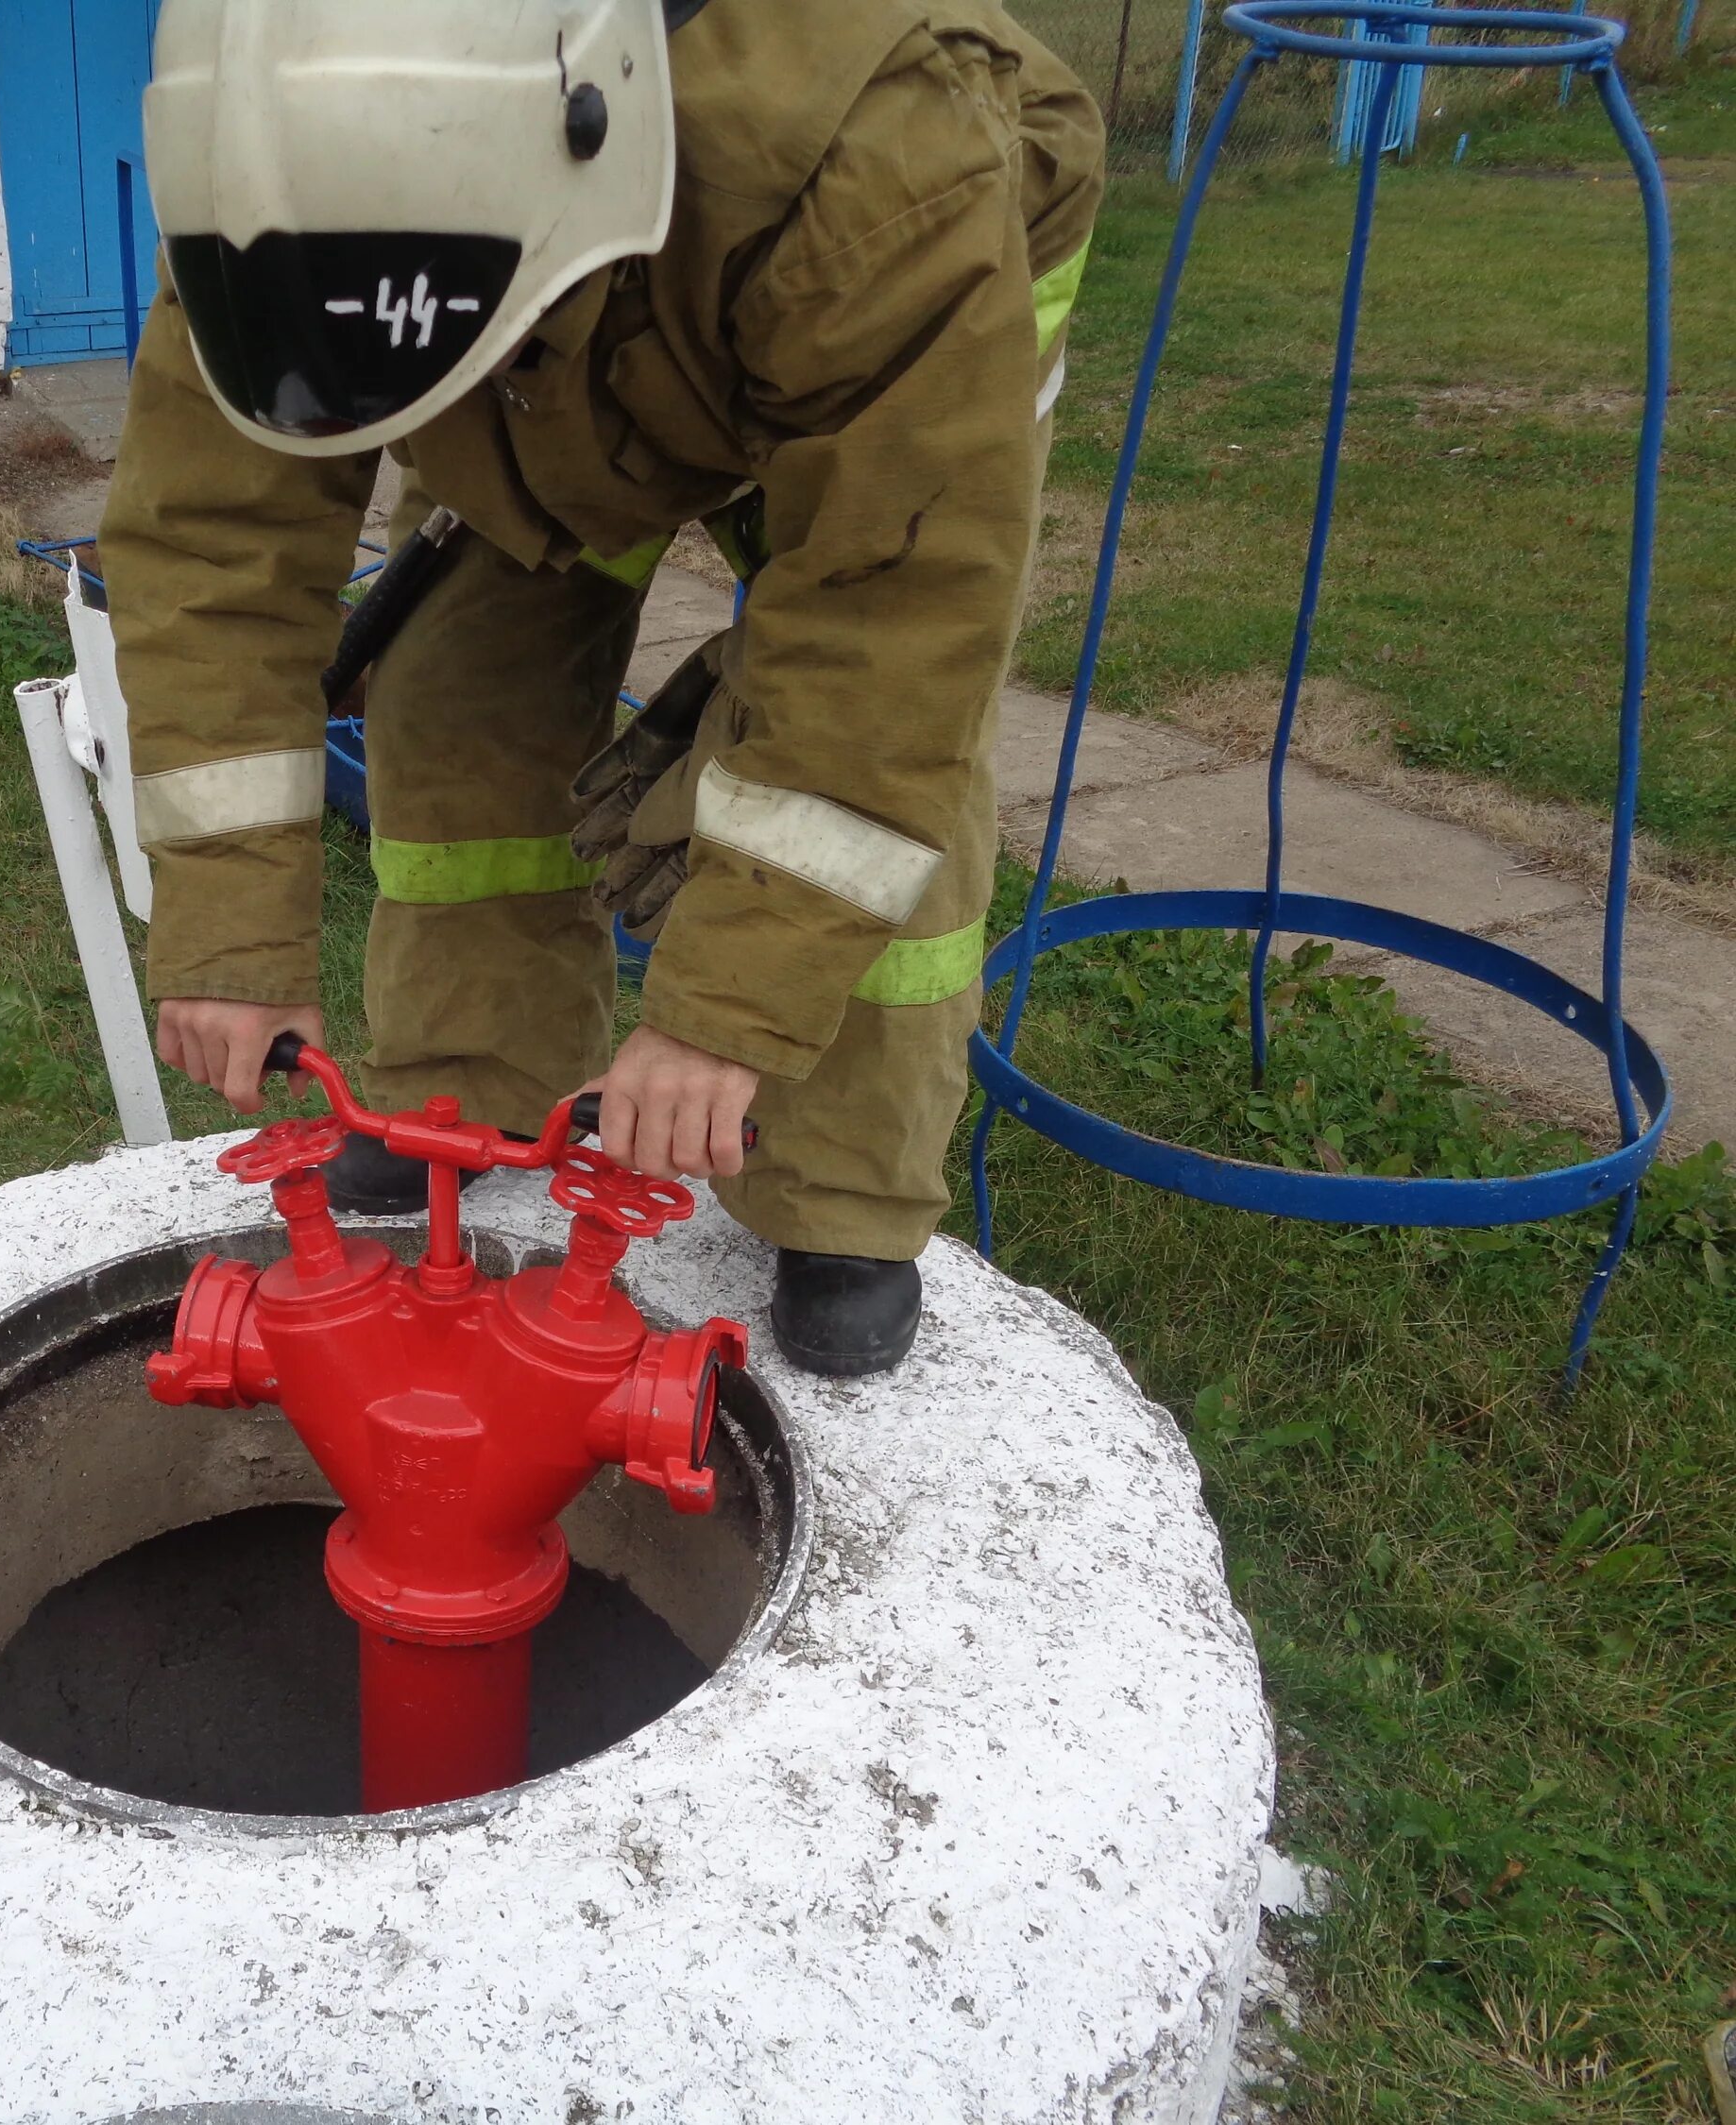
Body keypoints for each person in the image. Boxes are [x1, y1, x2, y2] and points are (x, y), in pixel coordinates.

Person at [98, 0, 1104, 1376]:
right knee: (460, 684)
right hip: (569, 342)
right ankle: (473, 1080)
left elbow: (888, 627)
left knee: (864, 758)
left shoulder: (887, 161)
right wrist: (228, 930)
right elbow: (216, 538)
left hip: (881, 305)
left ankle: (841, 1193)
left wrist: (721, 1015)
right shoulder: (276, 153)